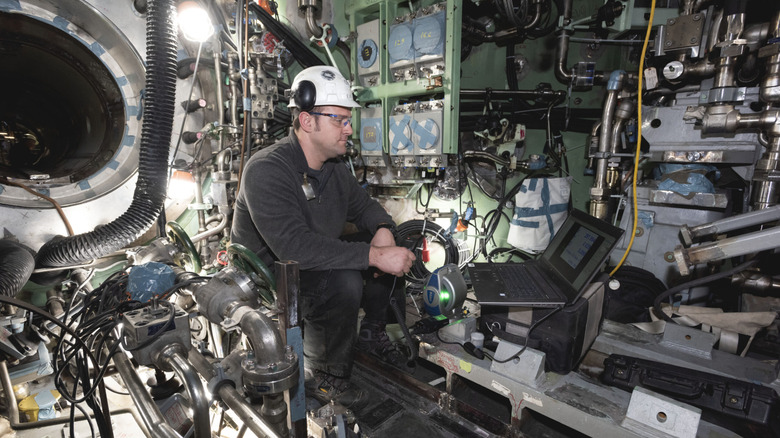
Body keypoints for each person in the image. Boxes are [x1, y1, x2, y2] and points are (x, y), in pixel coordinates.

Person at [231, 65, 416, 408]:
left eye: (349, 120)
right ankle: (324, 375)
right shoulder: (267, 170)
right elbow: (294, 248)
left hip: (310, 261)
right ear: (307, 121)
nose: (349, 129)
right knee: (346, 278)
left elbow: (366, 208)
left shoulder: (333, 169)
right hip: (271, 280)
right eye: (340, 120)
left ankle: (371, 333)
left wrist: (385, 233)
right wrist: (373, 256)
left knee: (387, 246)